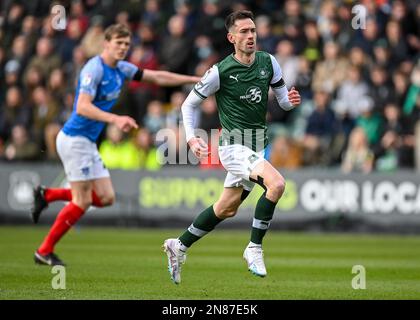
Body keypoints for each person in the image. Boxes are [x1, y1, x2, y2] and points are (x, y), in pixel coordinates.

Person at [31, 23, 200, 266]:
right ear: (106, 44)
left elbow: (157, 76)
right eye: (118, 43)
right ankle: (44, 251)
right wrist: (115, 118)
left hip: (87, 142)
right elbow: (82, 106)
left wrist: (194, 79)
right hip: (74, 140)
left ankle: (48, 195)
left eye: (126, 44)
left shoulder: (122, 68)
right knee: (83, 200)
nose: (123, 48)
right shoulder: (94, 69)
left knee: (106, 198)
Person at [163, 10, 301, 284]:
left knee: (226, 208)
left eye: (252, 30)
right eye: (244, 32)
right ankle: (254, 248)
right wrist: (191, 137)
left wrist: (290, 101)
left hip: (257, 146)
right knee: (276, 185)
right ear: (231, 38)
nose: (250, 36)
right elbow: (188, 104)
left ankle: (179, 245)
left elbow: (283, 101)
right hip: (234, 147)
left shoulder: (269, 62)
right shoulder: (219, 71)